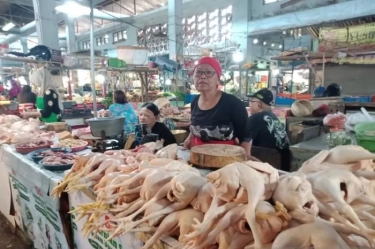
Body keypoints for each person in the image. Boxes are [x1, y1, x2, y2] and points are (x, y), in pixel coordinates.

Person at [183, 57, 251, 157]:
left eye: (209, 73)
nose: (202, 76)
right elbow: (196, 126)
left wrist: (244, 161)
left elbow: (246, 138)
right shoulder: (194, 101)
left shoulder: (233, 103)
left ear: (218, 80)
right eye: (198, 72)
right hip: (197, 157)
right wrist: (189, 138)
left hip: (225, 159)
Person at [246, 88, 290, 171]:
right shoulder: (273, 116)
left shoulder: (255, 118)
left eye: (251, 102)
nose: (250, 105)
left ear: (259, 105)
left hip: (268, 165)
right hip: (284, 165)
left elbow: (241, 139)